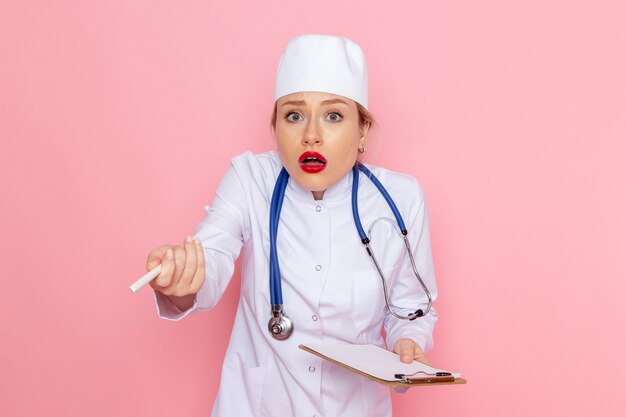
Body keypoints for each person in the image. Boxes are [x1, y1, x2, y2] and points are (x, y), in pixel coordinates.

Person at [145, 34, 438, 417]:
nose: (310, 134)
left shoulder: (401, 198)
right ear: (275, 125)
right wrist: (182, 280)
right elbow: (211, 257)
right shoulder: (250, 179)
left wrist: (408, 341)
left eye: (333, 115)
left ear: (362, 129)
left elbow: (412, 309)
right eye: (294, 115)